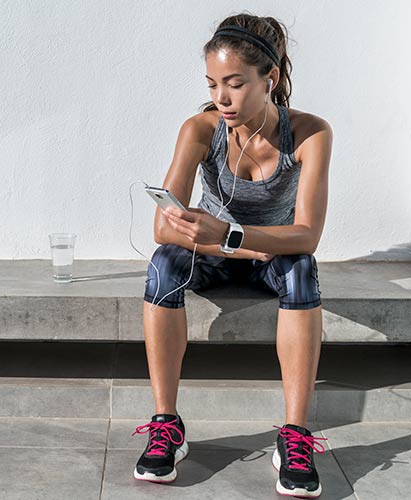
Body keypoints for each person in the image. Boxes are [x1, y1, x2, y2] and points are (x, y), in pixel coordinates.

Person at [132, 13, 332, 498]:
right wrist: (228, 242)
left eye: (235, 84)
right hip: (222, 251)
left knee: (302, 271)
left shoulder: (310, 134)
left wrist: (235, 233)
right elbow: (164, 225)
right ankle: (166, 424)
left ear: (271, 79)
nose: (221, 97)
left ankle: (296, 434)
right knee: (162, 266)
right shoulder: (200, 130)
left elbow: (306, 236)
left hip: (271, 255)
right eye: (213, 84)